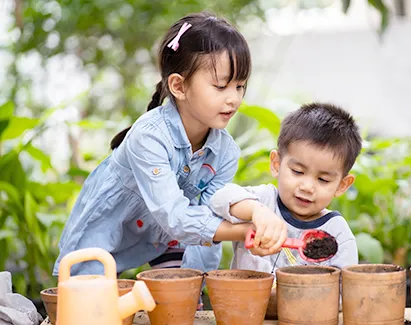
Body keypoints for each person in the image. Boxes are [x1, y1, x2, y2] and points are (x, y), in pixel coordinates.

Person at [52, 12, 287, 281]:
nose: (233, 99)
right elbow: (175, 216)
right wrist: (244, 230)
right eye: (221, 86)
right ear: (178, 85)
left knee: (181, 296)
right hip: (108, 229)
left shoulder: (225, 152)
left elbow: (210, 216)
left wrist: (201, 279)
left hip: (167, 238)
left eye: (240, 86)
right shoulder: (149, 137)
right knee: (87, 301)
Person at [210, 102, 361, 274]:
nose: (307, 187)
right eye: (297, 172)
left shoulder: (337, 234)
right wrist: (256, 212)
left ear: (341, 185)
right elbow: (218, 199)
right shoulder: (263, 200)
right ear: (276, 164)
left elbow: (344, 289)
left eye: (323, 179)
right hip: (246, 300)